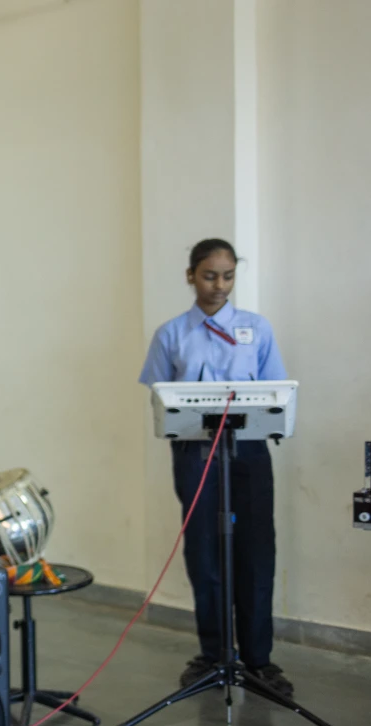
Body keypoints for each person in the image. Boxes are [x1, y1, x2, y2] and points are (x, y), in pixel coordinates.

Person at [139, 237, 292, 697]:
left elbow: (276, 392)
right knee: (204, 554)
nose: (219, 285)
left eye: (228, 276)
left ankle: (258, 660)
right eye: (209, 276)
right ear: (191, 276)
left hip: (247, 453)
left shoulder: (257, 328)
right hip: (195, 456)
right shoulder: (171, 334)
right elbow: (161, 399)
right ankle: (213, 654)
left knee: (255, 553)